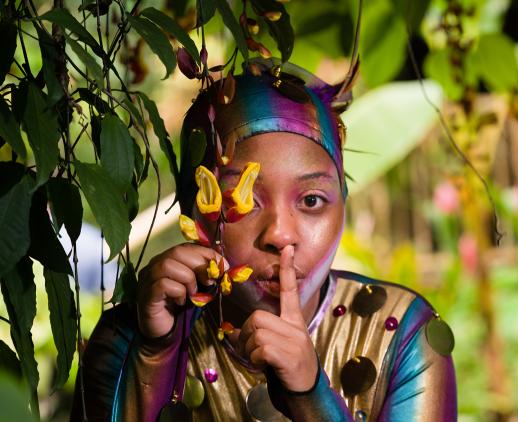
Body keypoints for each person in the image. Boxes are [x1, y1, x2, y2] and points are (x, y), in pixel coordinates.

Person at [71, 58, 457, 421]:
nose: (281, 235)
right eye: (244, 201)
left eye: (311, 200)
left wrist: (311, 397)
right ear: (195, 209)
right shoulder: (127, 336)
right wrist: (155, 355)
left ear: (343, 204)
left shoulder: (402, 333)